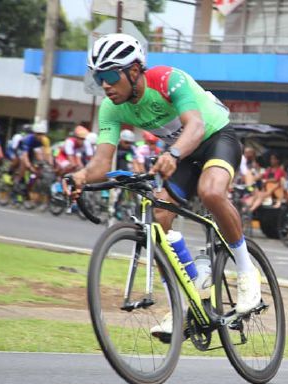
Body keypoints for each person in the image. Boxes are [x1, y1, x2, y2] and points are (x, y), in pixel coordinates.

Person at [67, 33, 262, 338]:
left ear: (133, 70)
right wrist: (80, 176)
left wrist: (172, 153)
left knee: (211, 191)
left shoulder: (167, 79)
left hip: (215, 138)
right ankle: (189, 299)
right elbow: (101, 163)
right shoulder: (111, 108)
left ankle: (247, 271)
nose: (104, 84)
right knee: (159, 218)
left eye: (109, 74)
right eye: (97, 76)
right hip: (182, 153)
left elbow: (195, 126)